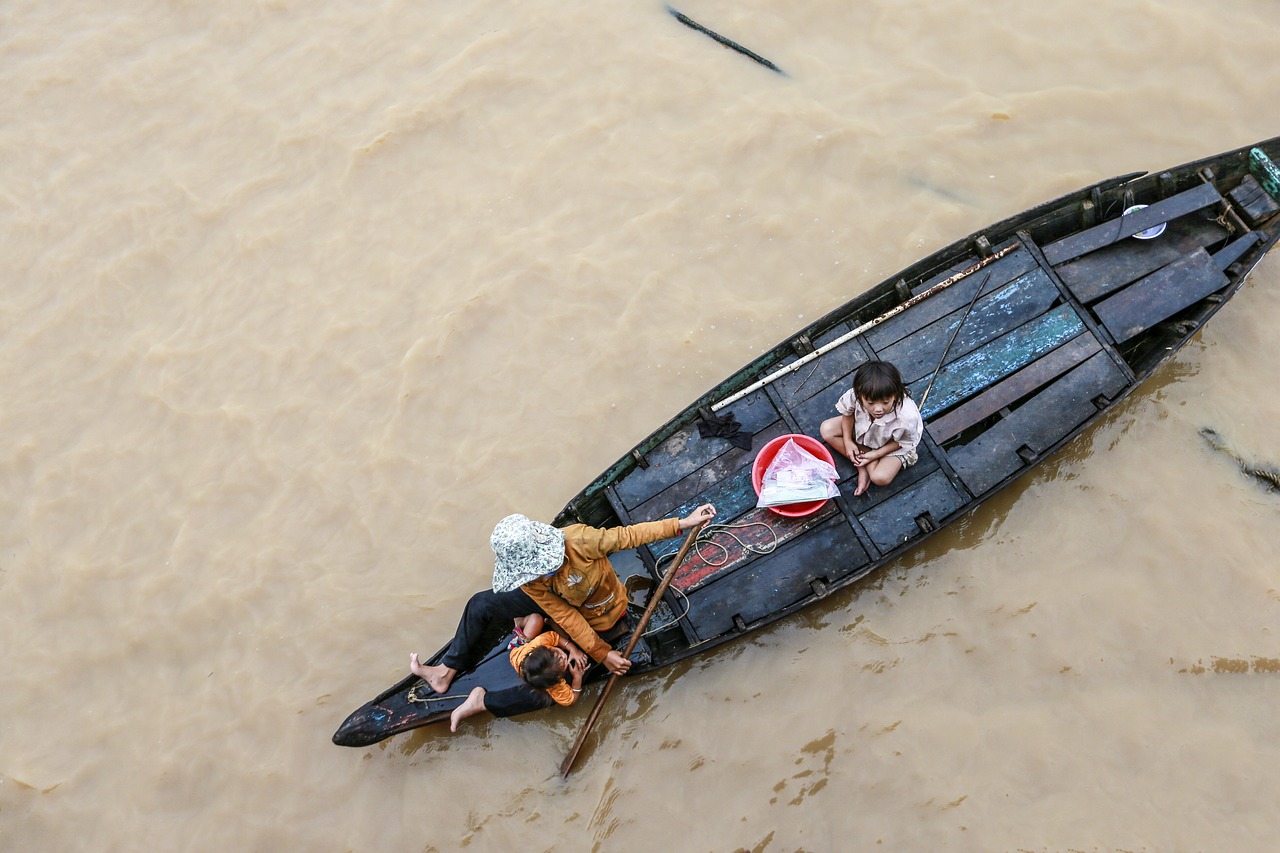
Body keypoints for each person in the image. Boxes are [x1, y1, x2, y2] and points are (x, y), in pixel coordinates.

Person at [409, 502, 716, 722]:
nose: (533, 578)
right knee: (481, 604)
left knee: (548, 683)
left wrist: (682, 523)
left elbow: (629, 536)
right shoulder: (532, 584)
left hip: (596, 614)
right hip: (560, 610)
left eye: (536, 571)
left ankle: (483, 701)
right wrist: (601, 653)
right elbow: (561, 614)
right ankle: (446, 671)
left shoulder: (579, 541)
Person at [443, 624, 589, 732]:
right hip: (517, 653)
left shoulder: (540, 644)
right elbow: (571, 699)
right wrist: (577, 677)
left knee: (535, 620)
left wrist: (572, 649)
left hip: (519, 649)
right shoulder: (555, 687)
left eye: (559, 654)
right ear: (556, 681)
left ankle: (520, 621)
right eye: (562, 661)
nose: (564, 656)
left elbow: (555, 636)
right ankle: (476, 702)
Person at [819, 360, 922, 496]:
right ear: (859, 395)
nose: (878, 409)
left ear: (895, 394)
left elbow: (902, 442)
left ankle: (863, 461)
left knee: (880, 478)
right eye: (870, 403)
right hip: (865, 429)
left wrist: (876, 454)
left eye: (885, 402)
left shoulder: (907, 417)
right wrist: (848, 441)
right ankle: (862, 465)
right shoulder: (856, 394)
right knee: (827, 429)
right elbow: (848, 413)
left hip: (892, 443)